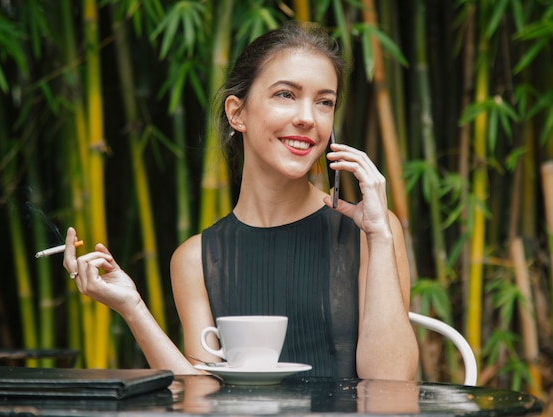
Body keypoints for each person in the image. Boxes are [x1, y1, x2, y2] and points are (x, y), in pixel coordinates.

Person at [63, 21, 419, 380]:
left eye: (325, 102)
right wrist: (132, 306)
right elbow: (203, 400)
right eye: (286, 95)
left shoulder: (368, 231)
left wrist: (379, 236)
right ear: (237, 113)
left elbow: (392, 390)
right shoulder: (195, 260)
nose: (308, 118)